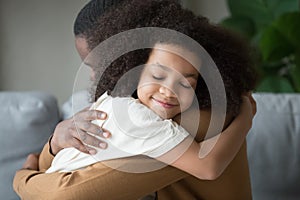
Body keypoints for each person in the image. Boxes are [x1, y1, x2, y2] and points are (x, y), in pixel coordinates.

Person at [13, 0, 258, 199]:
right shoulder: (133, 103)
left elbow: (65, 195)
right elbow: (57, 165)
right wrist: (56, 142)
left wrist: (22, 177)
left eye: (100, 64)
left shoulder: (191, 118)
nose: (95, 76)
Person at [45, 40, 253, 181]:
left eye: (185, 84)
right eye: (158, 76)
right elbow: (208, 168)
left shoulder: (114, 100)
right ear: (135, 72)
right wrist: (245, 117)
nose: (169, 91)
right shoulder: (138, 117)